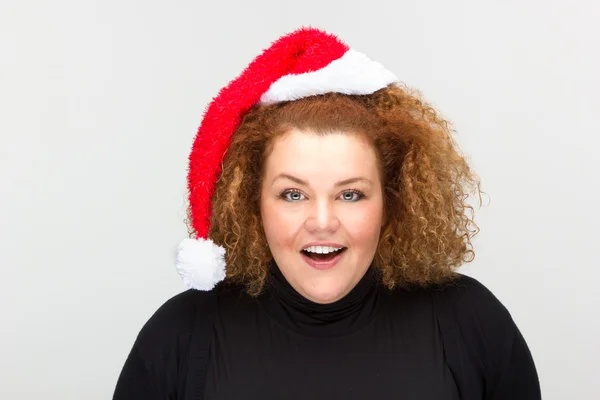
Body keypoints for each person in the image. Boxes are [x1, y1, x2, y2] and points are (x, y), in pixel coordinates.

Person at [113, 27, 541, 400]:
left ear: (392, 200)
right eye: (293, 195)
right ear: (250, 203)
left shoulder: (471, 323)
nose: (321, 221)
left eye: (350, 195)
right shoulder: (180, 336)